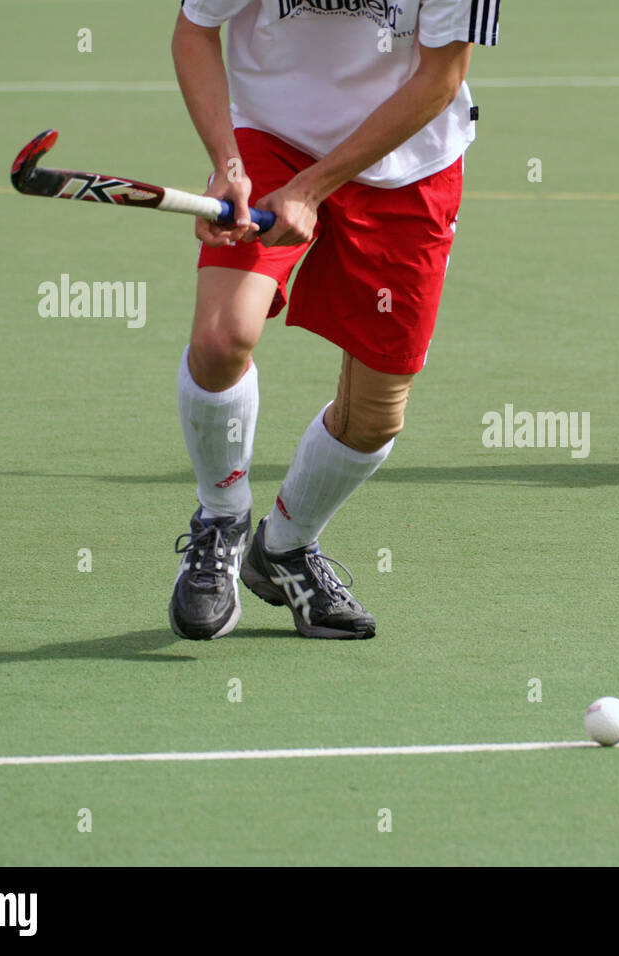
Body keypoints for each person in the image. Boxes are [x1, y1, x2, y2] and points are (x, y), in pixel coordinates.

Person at [167, 0, 500, 640]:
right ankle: (222, 521)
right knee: (221, 337)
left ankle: (285, 549)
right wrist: (227, 164)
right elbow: (195, 28)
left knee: (376, 415)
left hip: (410, 158)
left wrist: (314, 187)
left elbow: (440, 79)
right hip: (270, 137)